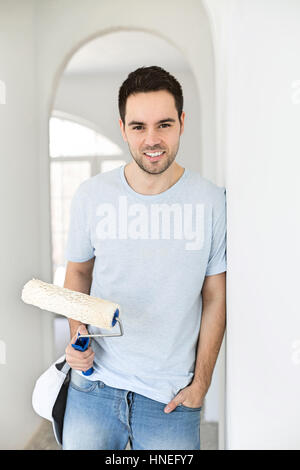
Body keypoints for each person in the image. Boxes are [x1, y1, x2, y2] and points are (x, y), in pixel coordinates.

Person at [62, 66, 227, 450]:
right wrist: (77, 334)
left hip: (170, 399)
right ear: (123, 128)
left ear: (182, 123)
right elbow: (78, 273)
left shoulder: (210, 201)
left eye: (164, 124)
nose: (152, 139)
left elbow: (215, 296)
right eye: (138, 127)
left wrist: (201, 383)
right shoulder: (92, 196)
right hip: (94, 390)